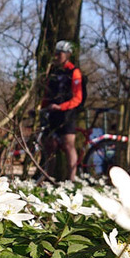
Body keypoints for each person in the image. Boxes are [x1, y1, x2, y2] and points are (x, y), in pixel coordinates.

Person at [41, 40, 83, 181]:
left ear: (67, 55)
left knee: (68, 144)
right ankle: (48, 178)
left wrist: (62, 107)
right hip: (52, 113)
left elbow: (78, 97)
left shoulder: (74, 72)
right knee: (49, 145)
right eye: (56, 54)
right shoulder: (52, 72)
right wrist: (42, 108)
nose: (57, 56)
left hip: (67, 113)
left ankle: (71, 179)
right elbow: (46, 94)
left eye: (60, 54)